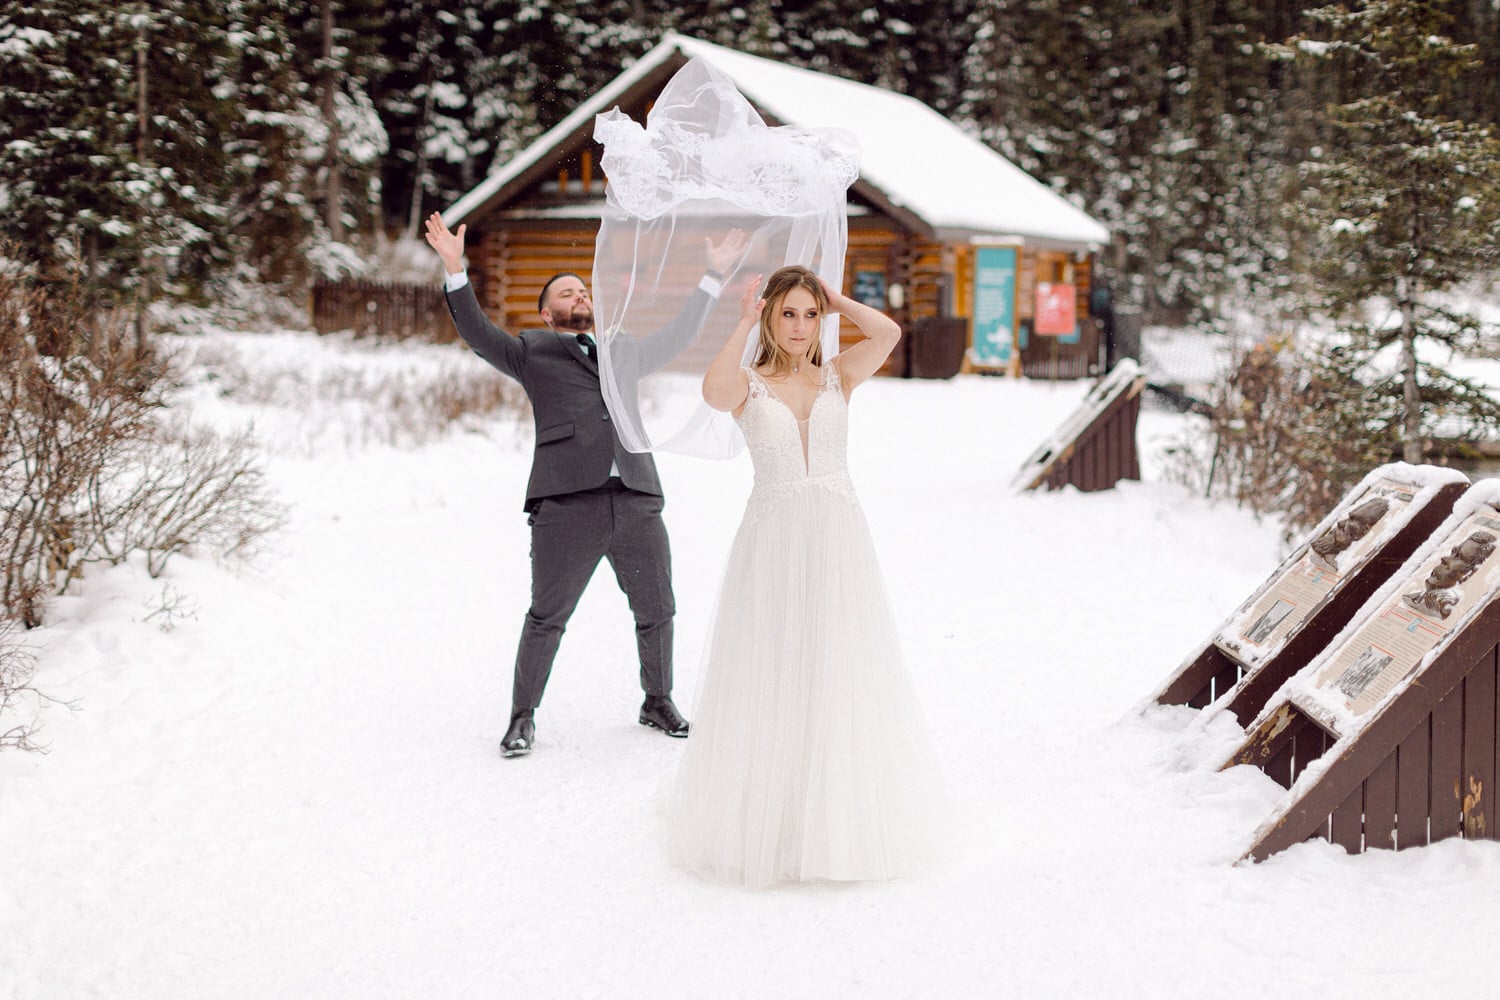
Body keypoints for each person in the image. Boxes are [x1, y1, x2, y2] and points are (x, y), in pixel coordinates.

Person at [423, 211, 746, 758]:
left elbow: (680, 334)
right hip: (566, 503)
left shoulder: (624, 350)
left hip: (636, 498)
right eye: (566, 292)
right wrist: (456, 270)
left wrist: (712, 276)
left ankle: (657, 699)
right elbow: (478, 334)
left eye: (583, 289)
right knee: (547, 616)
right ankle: (522, 718)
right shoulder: (532, 351)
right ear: (547, 313)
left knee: (658, 607)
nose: (579, 295)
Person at [667, 265, 946, 888]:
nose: (799, 326)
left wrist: (836, 298)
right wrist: (742, 321)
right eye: (788, 314)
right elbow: (712, 394)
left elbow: (889, 333)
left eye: (808, 314)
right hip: (773, 541)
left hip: (838, 538)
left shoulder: (838, 374)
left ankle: (836, 816)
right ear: (770, 317)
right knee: (776, 667)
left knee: (836, 664)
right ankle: (773, 816)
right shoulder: (749, 383)